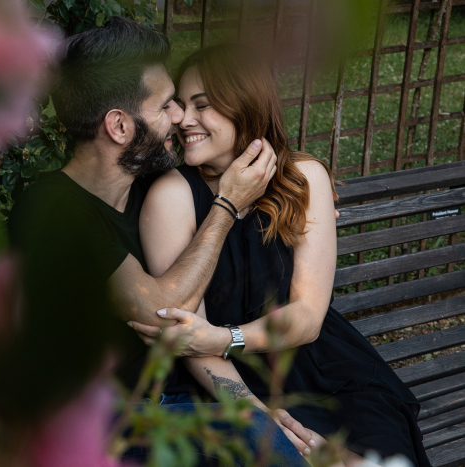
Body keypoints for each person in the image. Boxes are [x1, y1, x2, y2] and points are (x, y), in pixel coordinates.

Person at [8, 16, 313, 466]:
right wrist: (228, 204)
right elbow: (163, 309)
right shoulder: (53, 209)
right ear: (119, 126)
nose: (179, 117)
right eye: (166, 105)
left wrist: (294, 203)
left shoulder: (147, 187)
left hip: (171, 406)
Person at [127, 44, 430, 467]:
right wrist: (256, 413)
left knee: (372, 456)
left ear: (244, 105)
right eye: (181, 105)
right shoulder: (172, 196)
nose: (184, 120)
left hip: (323, 369)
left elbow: (306, 318)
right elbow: (187, 337)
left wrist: (225, 337)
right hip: (224, 381)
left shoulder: (304, 178)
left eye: (203, 105)